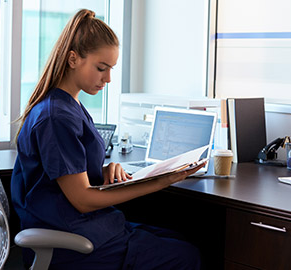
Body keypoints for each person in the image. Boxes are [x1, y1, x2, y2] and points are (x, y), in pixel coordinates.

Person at [11, 9, 205, 270]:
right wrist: (161, 181)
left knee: (179, 240)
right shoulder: (56, 117)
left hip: (83, 226)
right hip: (71, 242)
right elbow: (81, 199)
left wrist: (103, 171)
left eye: (111, 69)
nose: (109, 78)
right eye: (101, 68)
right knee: (187, 256)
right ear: (72, 59)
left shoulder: (68, 105)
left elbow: (63, 175)